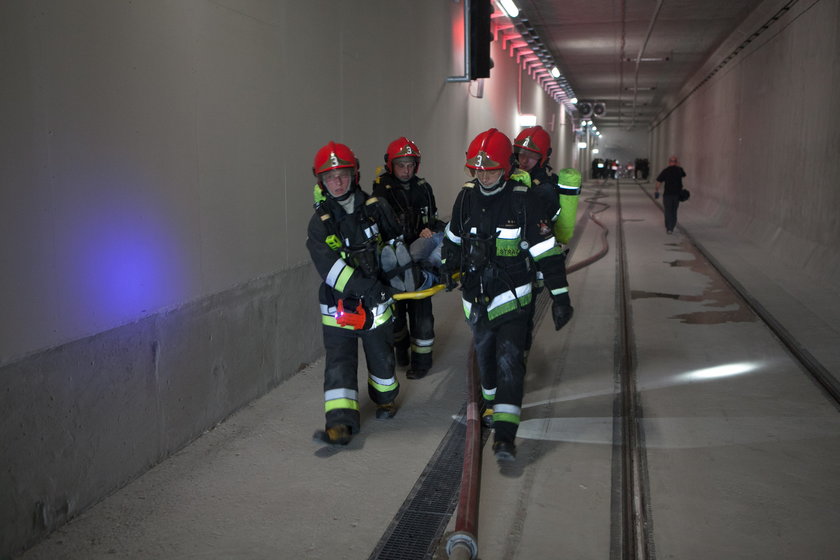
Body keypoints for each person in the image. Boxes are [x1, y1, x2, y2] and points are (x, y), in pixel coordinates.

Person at [440, 129, 574, 462]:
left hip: (514, 298)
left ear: (507, 167)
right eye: (477, 169)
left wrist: (561, 297)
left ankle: (505, 434)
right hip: (477, 298)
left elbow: (547, 252)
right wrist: (447, 266)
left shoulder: (523, 200)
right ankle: (491, 404)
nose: (483, 175)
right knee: (485, 357)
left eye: (490, 169)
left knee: (510, 359)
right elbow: (453, 239)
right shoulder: (466, 198)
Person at [306, 141, 404, 446]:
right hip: (339, 306)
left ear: (355, 174)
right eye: (330, 177)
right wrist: (368, 288)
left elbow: (397, 246)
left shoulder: (377, 208)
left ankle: (384, 400)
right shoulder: (319, 225)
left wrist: (404, 279)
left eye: (343, 175)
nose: (337, 183)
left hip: (377, 307)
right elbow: (331, 270)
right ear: (321, 181)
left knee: (382, 361)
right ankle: (340, 423)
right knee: (339, 363)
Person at [372, 137, 446, 380]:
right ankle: (401, 351)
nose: (406, 170)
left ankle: (422, 362)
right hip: (392, 261)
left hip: (419, 258)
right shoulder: (381, 191)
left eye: (410, 165)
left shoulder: (424, 188)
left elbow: (432, 219)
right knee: (394, 317)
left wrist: (431, 231)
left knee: (422, 314)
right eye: (401, 165)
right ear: (390, 165)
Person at [512, 125, 581, 355]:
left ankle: (519, 360)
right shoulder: (508, 176)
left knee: (522, 318)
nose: (524, 160)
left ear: (543, 158)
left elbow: (538, 225)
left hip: (530, 264)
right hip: (504, 261)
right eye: (520, 154)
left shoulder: (547, 189)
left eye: (531, 156)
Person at [654, 155, 687, 234]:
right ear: (676, 162)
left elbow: (659, 182)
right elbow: (684, 175)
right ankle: (672, 225)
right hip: (676, 195)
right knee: (674, 211)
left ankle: (669, 228)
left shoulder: (666, 171)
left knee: (668, 211)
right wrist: (678, 166)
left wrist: (657, 191)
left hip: (667, 195)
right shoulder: (679, 170)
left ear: (669, 162)